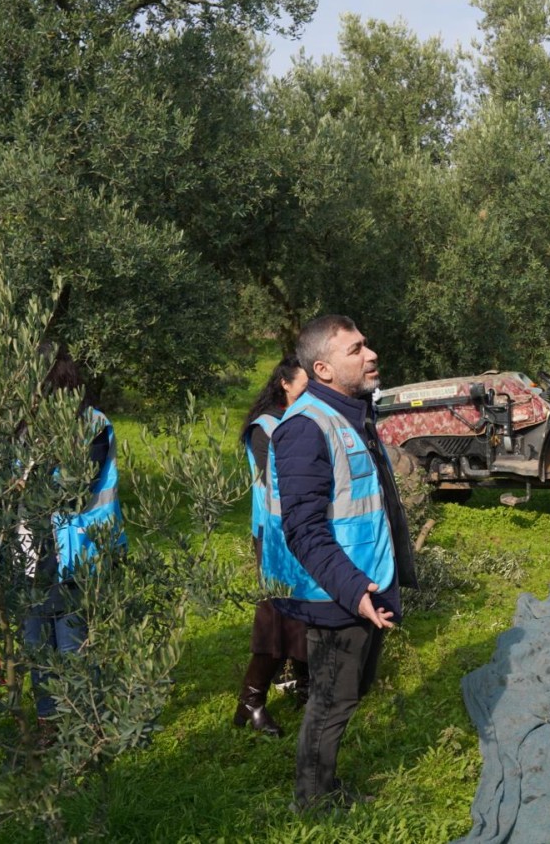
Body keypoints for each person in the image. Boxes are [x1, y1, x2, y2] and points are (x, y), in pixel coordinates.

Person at [264, 315, 417, 811]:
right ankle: (311, 801)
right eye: (356, 350)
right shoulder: (306, 428)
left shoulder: (352, 413)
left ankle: (320, 788)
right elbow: (303, 530)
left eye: (366, 344)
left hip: (365, 585)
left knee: (350, 691)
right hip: (337, 593)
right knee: (331, 702)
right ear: (324, 369)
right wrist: (353, 591)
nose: (370, 355)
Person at [22, 348, 126, 727]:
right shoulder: (24, 427)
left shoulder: (92, 424)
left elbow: (78, 488)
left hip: (76, 551)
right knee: (36, 644)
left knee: (71, 642)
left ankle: (84, 728)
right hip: (32, 553)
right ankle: (48, 723)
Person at [233, 356, 310, 737]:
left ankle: (303, 683)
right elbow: (277, 484)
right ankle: (250, 702)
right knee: (276, 613)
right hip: (275, 535)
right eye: (304, 383)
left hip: (302, 530)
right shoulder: (265, 427)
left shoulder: (303, 418)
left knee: (305, 607)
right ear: (285, 383)